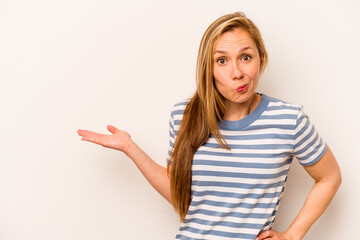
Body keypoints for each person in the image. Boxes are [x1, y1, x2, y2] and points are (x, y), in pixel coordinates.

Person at [77, 12, 341, 240]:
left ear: (261, 59)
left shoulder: (289, 120)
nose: (237, 73)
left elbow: (329, 177)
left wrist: (293, 234)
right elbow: (178, 193)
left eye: (246, 57)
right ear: (209, 68)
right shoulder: (184, 115)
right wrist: (130, 147)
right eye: (222, 61)